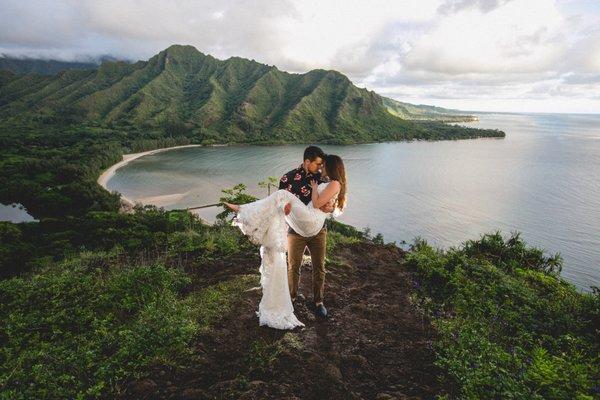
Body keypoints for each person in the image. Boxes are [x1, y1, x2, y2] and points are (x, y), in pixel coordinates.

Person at [224, 152, 347, 330]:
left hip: (315, 225)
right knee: (293, 265)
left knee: (319, 266)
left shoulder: (325, 181)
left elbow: (327, 204)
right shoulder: (289, 178)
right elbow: (284, 206)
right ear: (307, 162)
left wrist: (329, 203)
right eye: (318, 164)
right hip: (298, 226)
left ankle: (318, 302)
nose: (320, 168)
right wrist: (286, 208)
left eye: (323, 165)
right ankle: (291, 298)